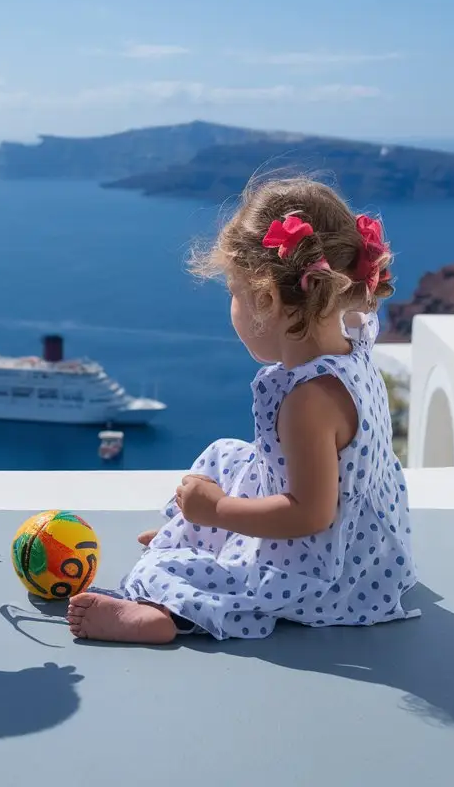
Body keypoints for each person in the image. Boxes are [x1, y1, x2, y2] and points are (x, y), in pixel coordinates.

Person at [67, 175, 418, 643]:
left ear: (266, 300)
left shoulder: (308, 400)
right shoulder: (353, 340)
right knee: (229, 456)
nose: (231, 305)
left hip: (331, 574)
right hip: (371, 549)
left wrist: (217, 511)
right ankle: (198, 537)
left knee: (168, 566)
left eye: (234, 291)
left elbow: (309, 516)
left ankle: (165, 612)